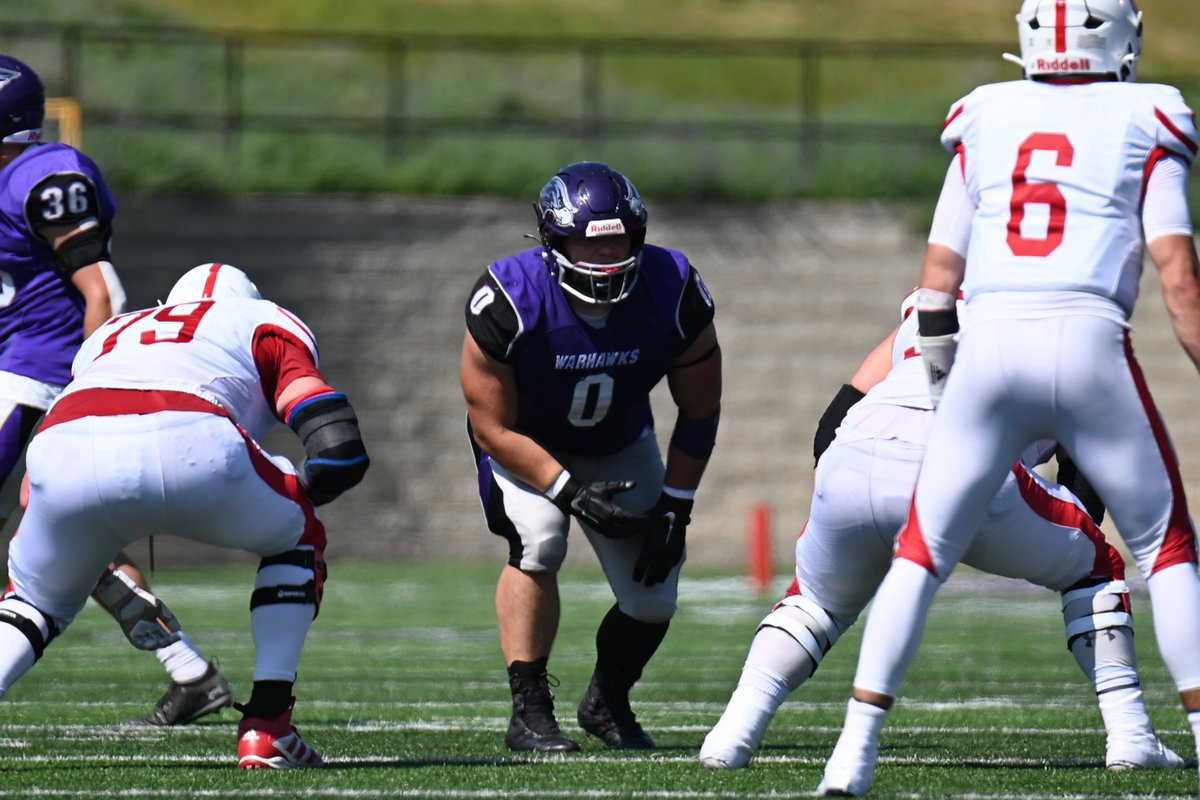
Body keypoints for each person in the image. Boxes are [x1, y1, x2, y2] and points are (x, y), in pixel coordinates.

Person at [818, 1, 1200, 794]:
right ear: (1122, 38)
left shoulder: (984, 115)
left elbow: (934, 289)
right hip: (1092, 340)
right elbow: (1177, 277)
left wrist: (957, 396)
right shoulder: (1150, 112)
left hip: (987, 348)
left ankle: (850, 757)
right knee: (1165, 550)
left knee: (920, 554)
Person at [698, 289, 1183, 771]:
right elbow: (1087, 471)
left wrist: (849, 512)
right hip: (962, 459)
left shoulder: (924, 309)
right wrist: (1064, 545)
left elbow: (830, 426)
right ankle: (1131, 735)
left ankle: (734, 732)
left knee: (815, 601)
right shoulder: (1068, 324)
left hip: (856, 447)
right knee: (1095, 568)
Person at [0, 262, 369, 768]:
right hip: (194, 435)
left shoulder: (113, 334)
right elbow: (334, 443)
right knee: (296, 534)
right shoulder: (258, 320)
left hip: (62, 446)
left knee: (31, 600)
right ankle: (268, 726)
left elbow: (28, 492)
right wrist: (310, 486)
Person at [0, 53, 232, 726]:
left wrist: (86, 382)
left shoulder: (44, 175)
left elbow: (103, 290)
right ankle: (189, 670)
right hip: (19, 367)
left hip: (42, 374)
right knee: (62, 535)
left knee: (52, 534)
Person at [460, 161, 722, 751]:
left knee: (653, 597)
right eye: (586, 242)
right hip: (527, 445)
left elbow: (700, 409)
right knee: (540, 542)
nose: (605, 259)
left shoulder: (673, 287)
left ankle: (607, 699)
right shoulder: (509, 297)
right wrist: (569, 492)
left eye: (618, 241)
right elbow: (490, 425)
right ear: (552, 241)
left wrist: (677, 506)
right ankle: (529, 711)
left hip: (620, 441)